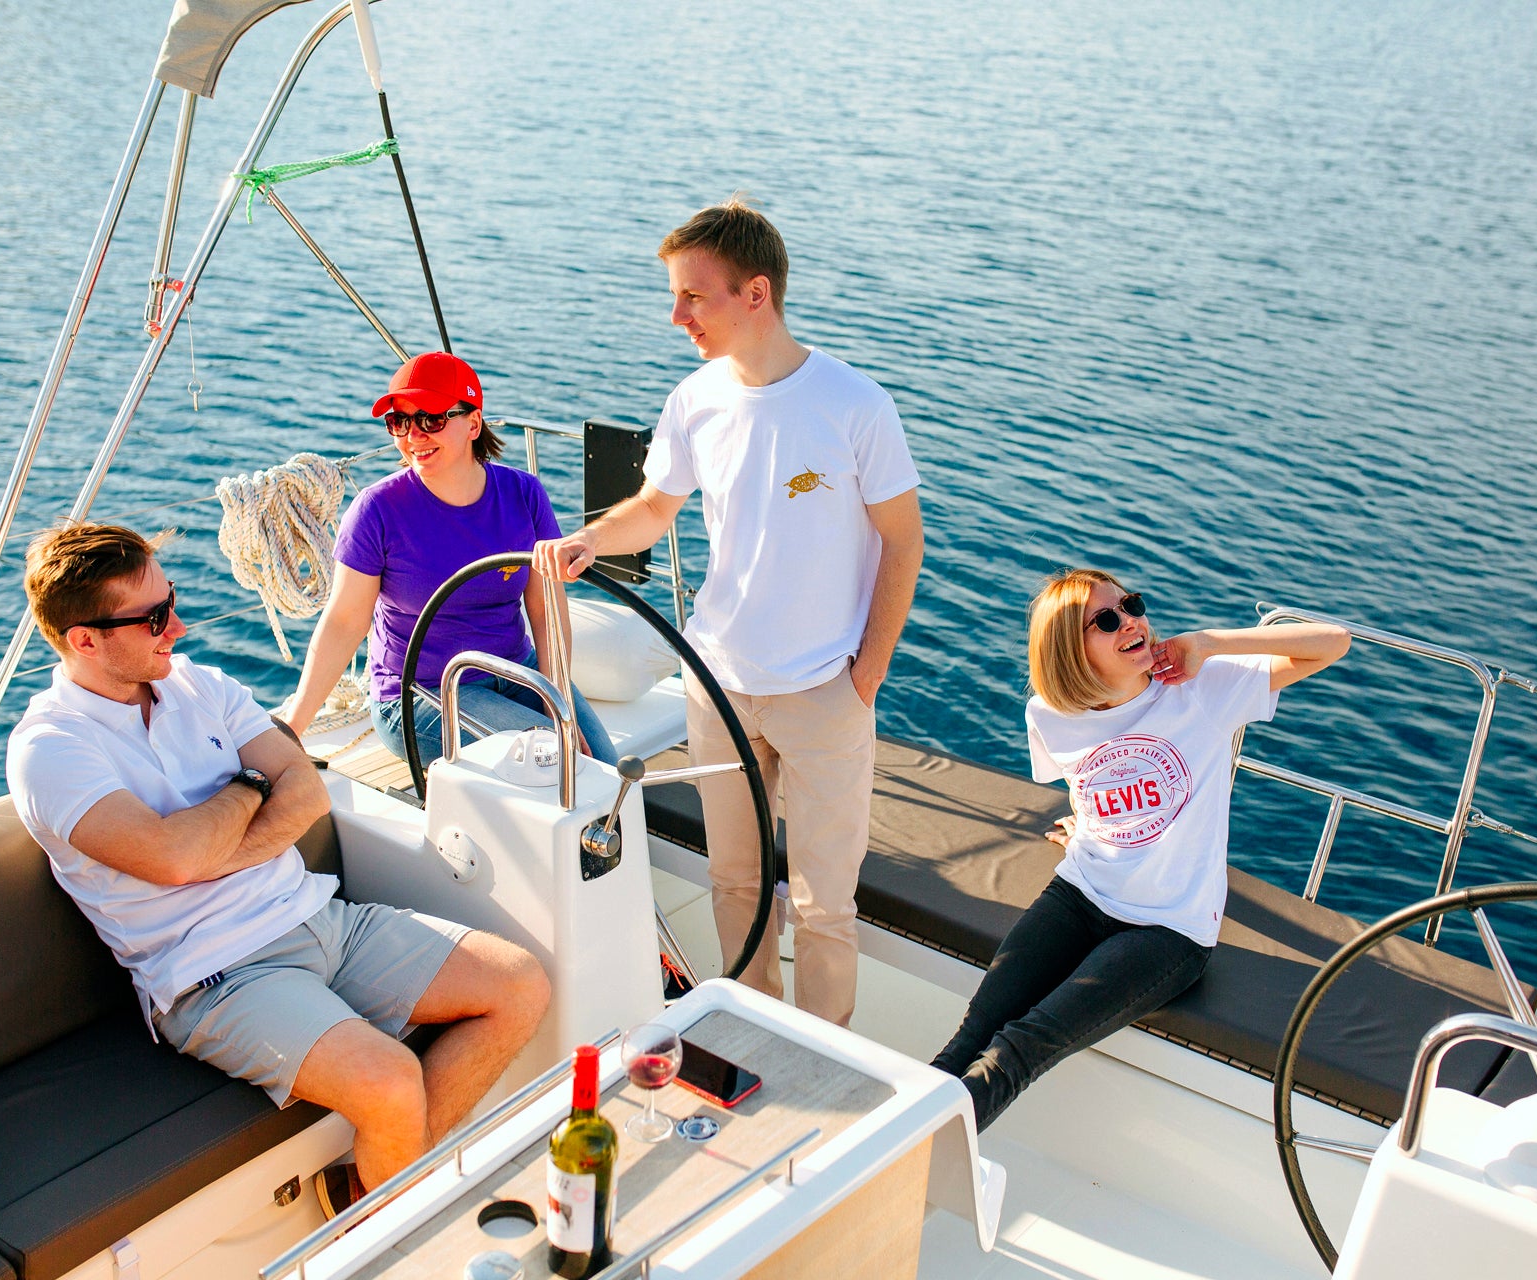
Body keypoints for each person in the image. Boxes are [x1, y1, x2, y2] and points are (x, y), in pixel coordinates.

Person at [5, 522, 550, 1208]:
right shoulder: (51, 749)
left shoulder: (198, 684)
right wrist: (250, 786)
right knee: (388, 1081)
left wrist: (214, 848)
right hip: (217, 975)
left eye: (169, 599)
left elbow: (309, 792)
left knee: (519, 984)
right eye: (152, 618)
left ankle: (371, 1199)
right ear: (84, 640)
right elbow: (174, 858)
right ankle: (398, 1235)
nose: (178, 624)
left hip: (322, 920)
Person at [536, 199, 924, 1027]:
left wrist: (867, 675)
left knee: (825, 906)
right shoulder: (694, 401)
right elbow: (652, 507)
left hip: (824, 692)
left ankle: (828, 1067)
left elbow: (903, 544)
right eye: (676, 297)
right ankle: (755, 1039)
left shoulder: (855, 405)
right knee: (735, 886)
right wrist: (588, 541)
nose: (677, 316)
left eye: (694, 297)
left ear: (756, 294)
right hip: (715, 683)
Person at [931, 569, 1351, 1131]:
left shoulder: (1202, 689)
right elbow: (1091, 784)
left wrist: (1208, 642)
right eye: (1106, 620)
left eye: (1131, 605)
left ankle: (905, 1167)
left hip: (1168, 930)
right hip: (1078, 895)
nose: (1130, 621)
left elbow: (1333, 644)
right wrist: (1087, 823)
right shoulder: (1050, 716)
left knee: (1018, 1049)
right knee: (970, 1037)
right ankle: (876, 1146)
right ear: (1069, 650)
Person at [282, 351, 615, 763]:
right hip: (421, 693)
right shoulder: (376, 511)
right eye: (399, 422)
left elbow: (547, 615)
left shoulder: (525, 495)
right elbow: (343, 623)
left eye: (431, 419)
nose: (413, 436)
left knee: (604, 766)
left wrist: (558, 705)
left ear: (473, 422)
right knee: (556, 760)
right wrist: (292, 729)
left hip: (515, 672)